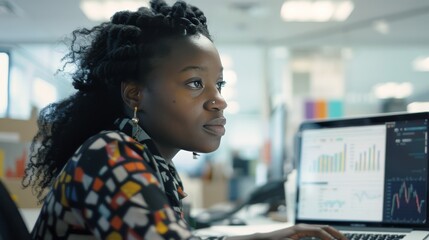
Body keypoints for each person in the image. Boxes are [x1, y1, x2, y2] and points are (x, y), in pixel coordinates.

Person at [22, 0, 347, 239]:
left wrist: (265, 237)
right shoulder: (109, 155)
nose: (219, 100)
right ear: (135, 95)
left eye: (218, 85)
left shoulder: (145, 160)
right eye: (195, 83)